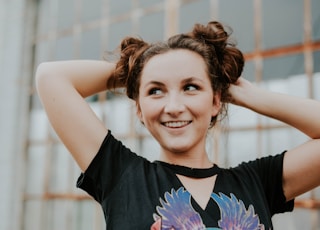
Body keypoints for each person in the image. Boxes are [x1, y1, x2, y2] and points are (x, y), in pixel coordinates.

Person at [35, 21, 320, 229]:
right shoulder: (121, 176)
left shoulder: (259, 182)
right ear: (139, 109)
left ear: (215, 101)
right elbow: (51, 77)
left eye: (191, 87)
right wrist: (138, 68)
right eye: (155, 91)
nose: (173, 107)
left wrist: (251, 96)